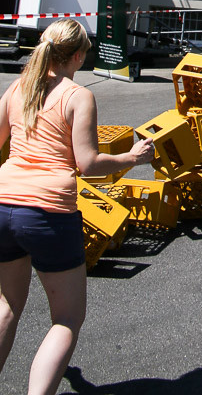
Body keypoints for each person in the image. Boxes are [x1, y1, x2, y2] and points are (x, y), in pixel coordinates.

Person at [0, 19, 155, 395]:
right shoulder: (77, 96)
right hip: (49, 213)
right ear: (78, 55)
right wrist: (131, 159)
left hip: (3, 205)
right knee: (66, 320)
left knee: (6, 305)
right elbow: (88, 164)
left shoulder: (17, 89)